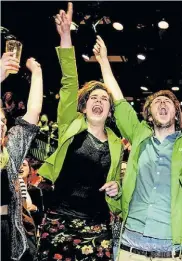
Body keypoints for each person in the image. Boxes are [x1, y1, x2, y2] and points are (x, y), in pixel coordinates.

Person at [93, 33, 182, 260]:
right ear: (149, 115)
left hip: (173, 249)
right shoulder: (138, 134)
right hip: (129, 247)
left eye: (168, 102)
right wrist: (104, 61)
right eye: (157, 102)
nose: (163, 103)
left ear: (176, 114)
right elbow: (118, 99)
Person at [37, 3, 123, 260]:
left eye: (104, 99)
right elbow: (69, 80)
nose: (98, 101)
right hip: (59, 223)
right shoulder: (70, 124)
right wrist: (65, 37)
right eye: (93, 98)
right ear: (84, 107)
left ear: (109, 111)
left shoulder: (117, 143)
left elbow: (117, 185)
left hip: (97, 227)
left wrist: (117, 187)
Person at [1, 53, 44, 261]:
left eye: (2, 120)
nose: (1, 124)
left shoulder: (9, 150)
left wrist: (37, 73)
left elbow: (32, 115)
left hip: (7, 229)